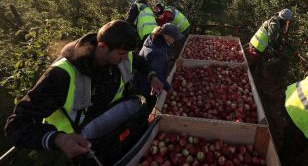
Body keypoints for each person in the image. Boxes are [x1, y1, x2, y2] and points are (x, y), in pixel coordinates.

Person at [4, 20, 164, 164]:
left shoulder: (121, 54)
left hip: (115, 132)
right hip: (81, 146)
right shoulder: (62, 76)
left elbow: (138, 60)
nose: (125, 59)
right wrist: (57, 139)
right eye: (121, 54)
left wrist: (152, 76)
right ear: (102, 46)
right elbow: (15, 125)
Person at [131, 23, 184, 115]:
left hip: (138, 79)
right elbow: (158, 75)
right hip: (146, 86)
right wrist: (169, 89)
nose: (175, 40)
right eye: (174, 37)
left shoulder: (151, 39)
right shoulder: (159, 53)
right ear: (167, 36)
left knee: (137, 103)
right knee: (146, 107)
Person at [246, 8, 292, 77]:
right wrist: (277, 48)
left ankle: (258, 77)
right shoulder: (274, 24)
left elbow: (276, 35)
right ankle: (250, 79)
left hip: (255, 43)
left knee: (258, 63)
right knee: (253, 65)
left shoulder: (274, 20)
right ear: (284, 20)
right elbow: (272, 38)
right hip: (257, 47)